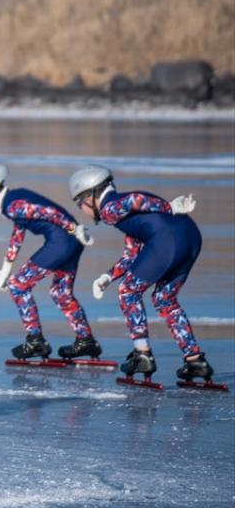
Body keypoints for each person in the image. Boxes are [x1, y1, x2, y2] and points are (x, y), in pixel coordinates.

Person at [68, 164, 212, 383]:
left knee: (128, 292)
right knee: (165, 300)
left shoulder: (110, 207)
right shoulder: (126, 215)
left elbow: (135, 200)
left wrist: (169, 207)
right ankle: (194, 360)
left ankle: (142, 355)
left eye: (80, 204)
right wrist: (107, 277)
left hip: (167, 240)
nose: (82, 211)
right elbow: (132, 253)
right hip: (190, 238)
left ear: (90, 196)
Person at [0, 162, 99, 361]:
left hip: (62, 242)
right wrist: (6, 266)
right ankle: (86, 340)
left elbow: (50, 214)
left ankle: (35, 340)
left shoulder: (13, 204)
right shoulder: (13, 200)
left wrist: (73, 228)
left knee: (18, 285)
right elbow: (19, 229)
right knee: (61, 293)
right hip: (72, 242)